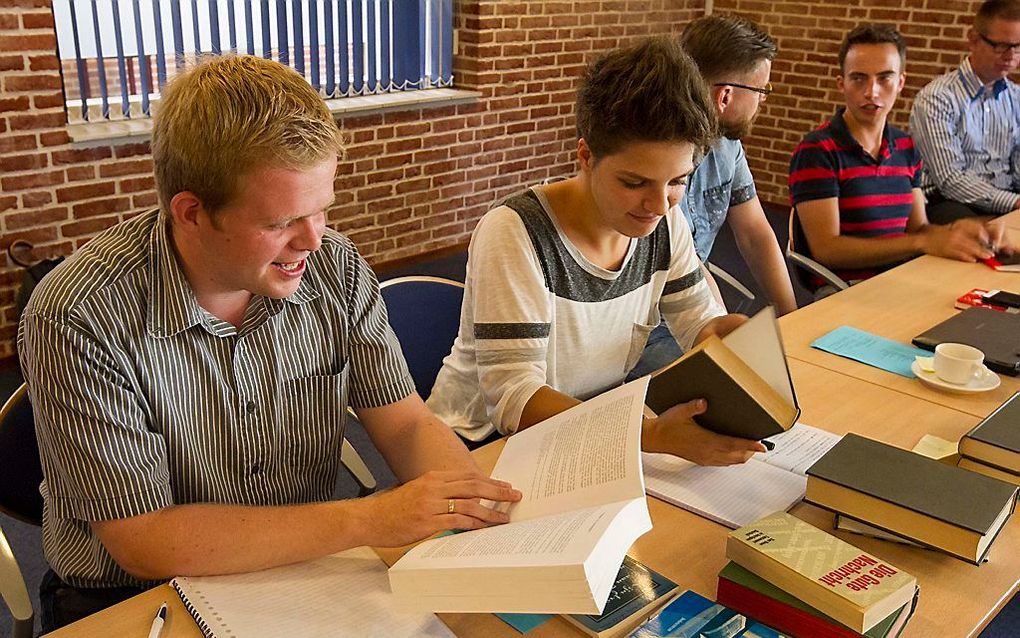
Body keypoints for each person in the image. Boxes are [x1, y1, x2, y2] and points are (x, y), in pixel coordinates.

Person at [18, 55, 520, 632]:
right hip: (138, 594)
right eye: (282, 221)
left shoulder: (334, 267)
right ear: (192, 213)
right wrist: (371, 519)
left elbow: (404, 424)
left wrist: (468, 514)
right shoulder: (78, 315)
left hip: (301, 557)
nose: (314, 239)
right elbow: (144, 539)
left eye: (323, 209)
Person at [426, 36, 766, 465]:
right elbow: (515, 399)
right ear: (586, 154)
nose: (659, 205)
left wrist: (727, 334)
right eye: (634, 182)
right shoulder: (514, 233)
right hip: (483, 443)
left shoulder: (663, 222)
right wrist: (651, 436)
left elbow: (697, 322)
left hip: (586, 420)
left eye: (678, 181)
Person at [788, 24, 1009, 292]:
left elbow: (919, 229)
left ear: (900, 82)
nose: (872, 92)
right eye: (858, 78)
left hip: (902, 278)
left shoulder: (905, 147)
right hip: (844, 289)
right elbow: (827, 250)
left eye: (884, 78)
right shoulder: (818, 150)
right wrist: (919, 243)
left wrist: (967, 229)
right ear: (841, 83)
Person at [678, 14, 797, 316]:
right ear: (725, 96)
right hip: (647, 321)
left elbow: (756, 234)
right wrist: (717, 328)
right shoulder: (658, 153)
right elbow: (683, 262)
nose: (762, 102)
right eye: (761, 91)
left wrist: (791, 317)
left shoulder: (727, 145)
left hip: (690, 305)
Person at [910, 0, 1020, 223]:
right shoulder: (937, 98)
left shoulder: (1016, 96)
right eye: (1000, 46)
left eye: (1018, 47)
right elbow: (950, 179)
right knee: (984, 239)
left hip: (1006, 198)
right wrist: (1014, 203)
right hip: (950, 202)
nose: (1010, 56)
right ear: (973, 40)